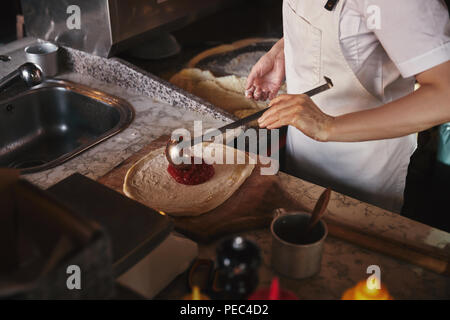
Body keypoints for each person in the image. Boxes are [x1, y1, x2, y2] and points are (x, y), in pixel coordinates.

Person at [245, 0, 450, 213]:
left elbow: (445, 94)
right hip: (303, 148)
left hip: (362, 165)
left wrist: (328, 126)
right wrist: (284, 49)